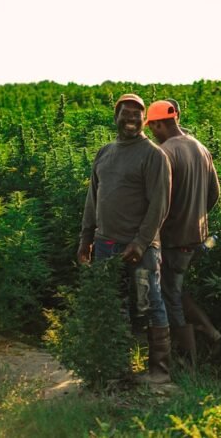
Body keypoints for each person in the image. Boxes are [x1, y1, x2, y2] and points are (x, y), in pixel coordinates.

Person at [77, 93, 173, 384]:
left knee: (151, 303)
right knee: (112, 303)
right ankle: (117, 369)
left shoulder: (154, 155)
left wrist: (141, 242)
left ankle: (159, 371)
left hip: (141, 248)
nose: (131, 118)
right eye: (125, 113)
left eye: (137, 114)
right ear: (116, 116)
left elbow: (160, 204)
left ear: (145, 119)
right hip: (106, 243)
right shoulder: (104, 153)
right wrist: (85, 238)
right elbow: (93, 198)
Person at [145, 100, 221, 367]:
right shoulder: (200, 148)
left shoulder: (165, 152)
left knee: (169, 297)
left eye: (152, 127)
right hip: (197, 237)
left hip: (174, 238)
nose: (152, 133)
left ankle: (188, 360)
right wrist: (197, 216)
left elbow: (158, 202)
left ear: (159, 123)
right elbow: (214, 194)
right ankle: (210, 331)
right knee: (175, 288)